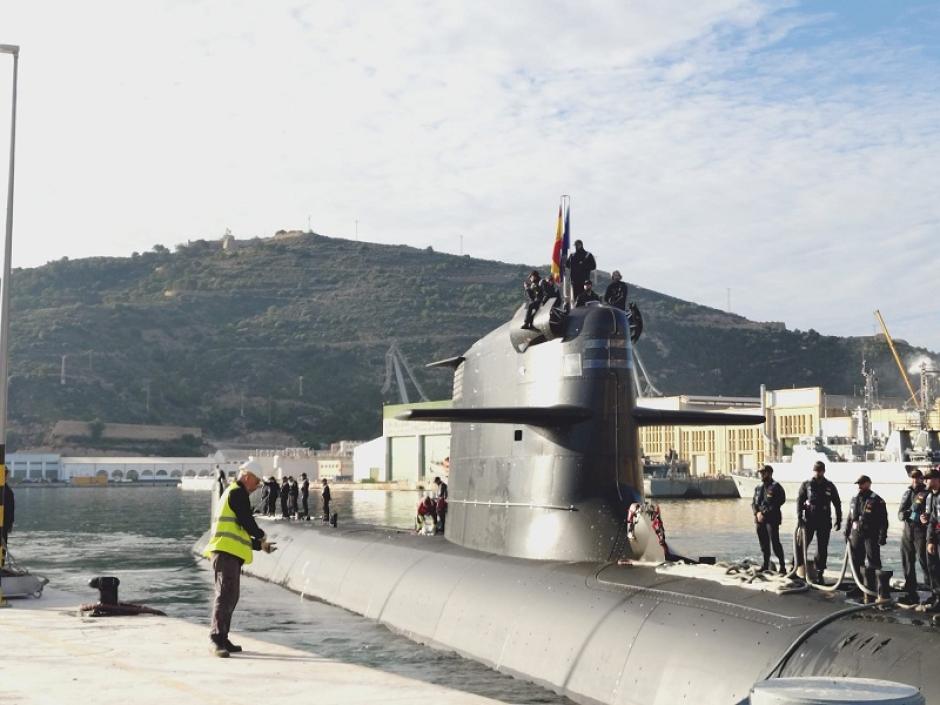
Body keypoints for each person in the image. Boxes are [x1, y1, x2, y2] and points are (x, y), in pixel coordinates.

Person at [203, 460, 276, 657]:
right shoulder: (237, 492)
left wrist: (260, 546)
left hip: (230, 553)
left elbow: (239, 533)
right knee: (225, 594)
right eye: (256, 482)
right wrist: (260, 534)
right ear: (247, 477)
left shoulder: (235, 494)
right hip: (224, 552)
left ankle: (223, 637)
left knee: (231, 596)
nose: (257, 486)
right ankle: (215, 639)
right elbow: (246, 520)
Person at [844, 474, 889, 603]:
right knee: (856, 560)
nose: (859, 486)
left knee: (873, 560)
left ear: (868, 483)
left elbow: (883, 520)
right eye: (858, 484)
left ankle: (875, 588)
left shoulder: (877, 500)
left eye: (862, 483)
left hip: (871, 534)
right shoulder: (855, 499)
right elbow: (850, 516)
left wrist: (882, 535)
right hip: (856, 533)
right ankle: (859, 586)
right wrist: (847, 531)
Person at [795, 461, 842, 583]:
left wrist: (839, 519)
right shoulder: (807, 485)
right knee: (801, 545)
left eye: (820, 470)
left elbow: (837, 503)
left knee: (822, 548)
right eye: (816, 470)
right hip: (809, 519)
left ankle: (819, 572)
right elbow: (799, 501)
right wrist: (799, 517)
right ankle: (796, 567)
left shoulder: (830, 486)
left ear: (823, 471)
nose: (818, 472)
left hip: (824, 520)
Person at [899, 467, 929, 604]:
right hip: (907, 531)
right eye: (913, 477)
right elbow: (900, 512)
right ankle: (911, 592)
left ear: (922, 479)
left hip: (921, 532)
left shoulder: (927, 493)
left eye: (917, 477)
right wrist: (902, 515)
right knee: (907, 562)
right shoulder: (907, 492)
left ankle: (933, 591)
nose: (915, 480)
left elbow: (931, 511)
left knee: (925, 561)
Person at [752, 465, 786, 574]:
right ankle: (765, 565)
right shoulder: (758, 488)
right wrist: (757, 513)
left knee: (775, 543)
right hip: (760, 520)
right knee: (764, 544)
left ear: (770, 473)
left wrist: (764, 513)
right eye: (760, 473)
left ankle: (782, 566)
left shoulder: (776, 487)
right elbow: (754, 503)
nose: (761, 475)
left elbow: (779, 502)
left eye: (764, 473)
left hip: (772, 519)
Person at [923, 469, 940, 607]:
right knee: (933, 567)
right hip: (936, 537)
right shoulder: (931, 496)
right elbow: (933, 520)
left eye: (928, 479)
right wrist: (930, 540)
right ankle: (937, 596)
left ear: (936, 479)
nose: (925, 481)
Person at [1, 466, 13, 550]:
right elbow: (9, 511)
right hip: (3, 528)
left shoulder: (6, 490)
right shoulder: (7, 491)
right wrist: (9, 526)